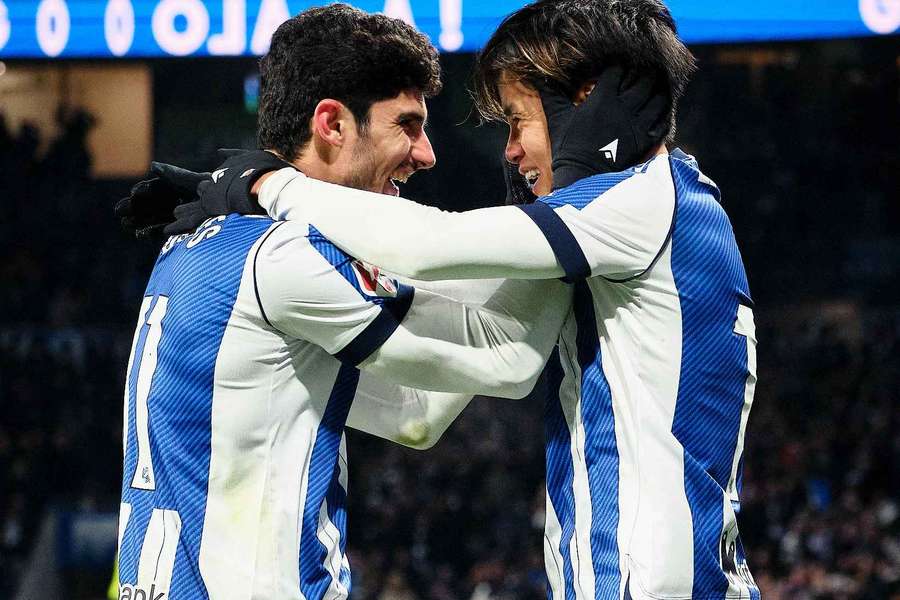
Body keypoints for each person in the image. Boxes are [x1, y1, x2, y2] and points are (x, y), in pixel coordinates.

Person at [152, 1, 761, 599]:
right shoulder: (668, 207)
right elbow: (450, 380)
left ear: (584, 103)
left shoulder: (636, 203)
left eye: (517, 121)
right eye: (409, 126)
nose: (510, 151)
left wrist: (267, 182)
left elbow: (434, 261)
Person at [112, 5, 570, 599]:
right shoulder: (286, 258)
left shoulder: (203, 245)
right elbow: (504, 362)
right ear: (332, 123)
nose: (427, 153)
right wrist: (560, 228)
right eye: (406, 124)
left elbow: (414, 414)